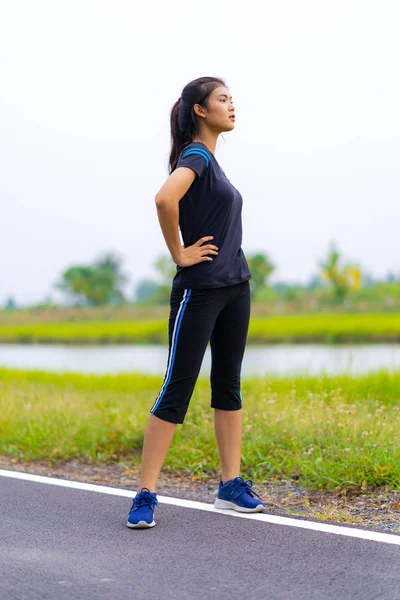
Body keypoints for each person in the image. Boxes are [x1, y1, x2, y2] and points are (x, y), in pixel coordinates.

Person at [127, 76, 265, 529]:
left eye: (232, 99)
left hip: (234, 286)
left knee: (228, 384)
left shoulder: (212, 162)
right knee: (177, 388)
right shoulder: (197, 154)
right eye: (223, 99)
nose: (232, 105)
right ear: (201, 111)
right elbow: (165, 199)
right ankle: (145, 493)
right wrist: (180, 254)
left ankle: (230, 485)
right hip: (200, 289)